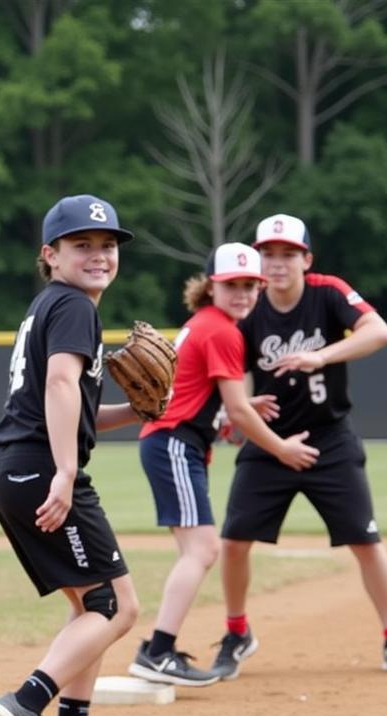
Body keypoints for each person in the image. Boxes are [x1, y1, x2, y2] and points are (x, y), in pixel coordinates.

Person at [212, 213, 387, 678]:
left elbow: (379, 331)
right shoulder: (248, 307)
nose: (276, 263)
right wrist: (239, 411)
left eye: (288, 254)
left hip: (329, 439)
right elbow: (237, 375)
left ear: (306, 259)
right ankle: (236, 631)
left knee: (366, 541)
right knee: (233, 542)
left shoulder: (327, 293)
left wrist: (321, 354)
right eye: (268, 253)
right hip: (270, 443)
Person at [0, 194, 148, 716]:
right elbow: (58, 383)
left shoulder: (50, 305)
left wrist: (135, 412)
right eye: (82, 245)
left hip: (18, 466)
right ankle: (28, 702)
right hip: (41, 468)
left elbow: (74, 404)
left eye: (107, 245)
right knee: (114, 607)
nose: (99, 255)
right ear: (50, 255)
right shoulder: (74, 306)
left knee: (93, 606)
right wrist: (65, 471)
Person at [128, 243, 320, 686]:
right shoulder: (223, 331)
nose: (243, 293)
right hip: (174, 444)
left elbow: (213, 402)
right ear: (211, 286)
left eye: (250, 285)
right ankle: (157, 651)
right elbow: (237, 414)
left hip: (175, 442)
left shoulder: (207, 324)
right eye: (232, 284)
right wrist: (280, 448)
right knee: (203, 549)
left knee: (195, 551)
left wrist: (233, 408)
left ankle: (159, 650)